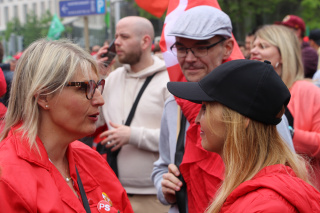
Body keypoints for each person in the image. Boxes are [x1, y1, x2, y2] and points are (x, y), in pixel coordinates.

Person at [151, 6, 294, 213]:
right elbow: (163, 165)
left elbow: (284, 172)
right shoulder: (175, 104)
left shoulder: (253, 102)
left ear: (227, 47)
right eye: (181, 48)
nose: (189, 58)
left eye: (201, 47)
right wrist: (164, 188)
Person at [167, 59, 320, 212]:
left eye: (206, 108)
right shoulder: (255, 191)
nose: (197, 119)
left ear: (241, 120)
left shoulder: (268, 206)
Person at [0, 39, 133, 213]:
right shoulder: (8, 176)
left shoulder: (90, 159)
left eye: (98, 87)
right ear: (44, 97)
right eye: (85, 88)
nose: (100, 100)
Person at [96, 16, 171, 212]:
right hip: (112, 191)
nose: (116, 43)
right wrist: (95, 76)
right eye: (116, 36)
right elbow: (93, 123)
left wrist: (133, 135)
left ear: (145, 41)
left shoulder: (168, 81)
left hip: (155, 195)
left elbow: (178, 138)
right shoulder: (111, 78)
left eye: (124, 37)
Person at [251, 24, 320, 189]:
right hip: (262, 188)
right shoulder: (251, 93)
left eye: (262, 46)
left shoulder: (308, 91)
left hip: (302, 189)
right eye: (253, 45)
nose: (253, 50)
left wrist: (288, 133)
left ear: (283, 55)